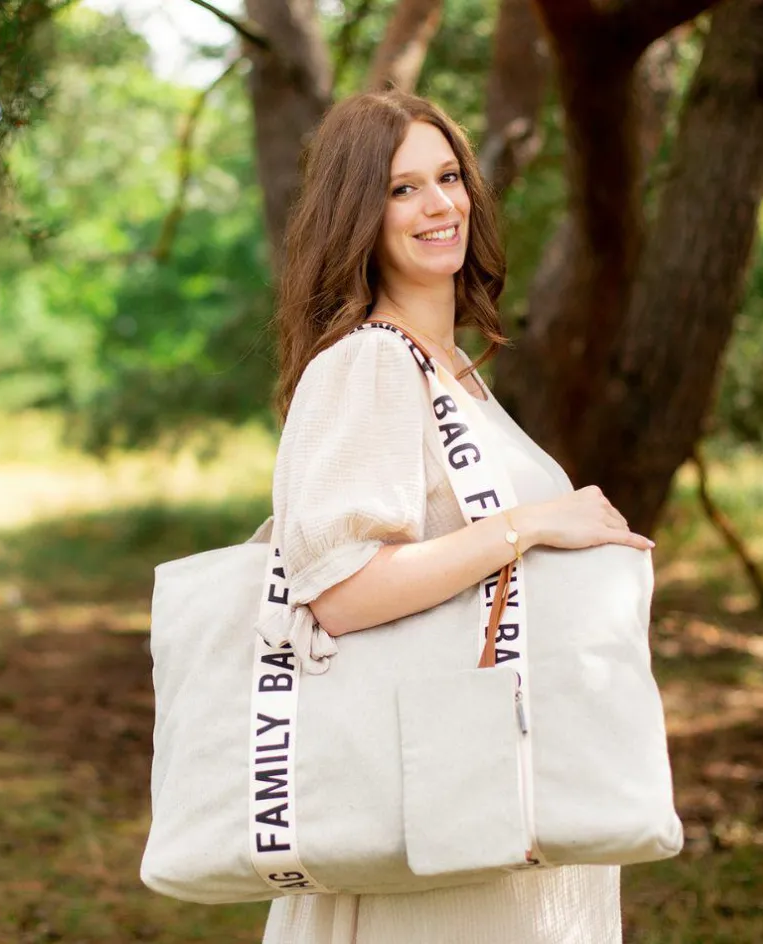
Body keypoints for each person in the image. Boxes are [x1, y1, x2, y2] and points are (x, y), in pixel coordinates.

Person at [261, 90, 653, 944]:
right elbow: (340, 592)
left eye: (449, 177)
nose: (441, 206)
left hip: (493, 794)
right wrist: (533, 527)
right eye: (403, 189)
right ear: (357, 213)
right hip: (435, 821)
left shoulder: (455, 377)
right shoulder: (369, 363)